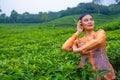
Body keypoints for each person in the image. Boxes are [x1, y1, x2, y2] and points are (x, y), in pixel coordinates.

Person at [62, 13, 116, 80]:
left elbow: (98, 41)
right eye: (86, 20)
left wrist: (78, 50)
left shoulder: (100, 33)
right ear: (81, 24)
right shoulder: (78, 41)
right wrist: (78, 32)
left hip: (103, 70)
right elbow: (65, 47)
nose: (90, 22)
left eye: (91, 19)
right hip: (86, 72)